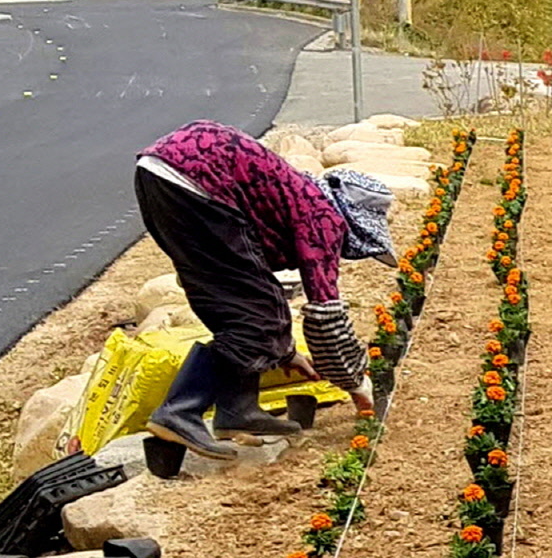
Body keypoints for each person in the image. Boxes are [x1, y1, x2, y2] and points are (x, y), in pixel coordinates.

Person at [134, 121, 392, 460]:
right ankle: (180, 411)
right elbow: (325, 315)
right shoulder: (324, 216)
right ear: (355, 222)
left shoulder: (294, 198)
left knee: (250, 307)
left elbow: (235, 293)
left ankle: (237, 411)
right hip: (196, 179)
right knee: (260, 312)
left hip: (160, 173)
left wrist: (283, 351)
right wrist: (357, 384)